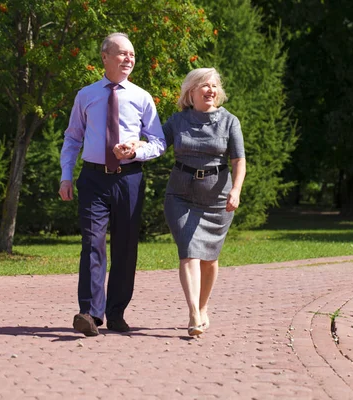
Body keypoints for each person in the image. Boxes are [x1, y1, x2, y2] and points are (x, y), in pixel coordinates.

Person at [59, 32, 166, 337]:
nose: (128, 59)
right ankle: (90, 314)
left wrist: (136, 150)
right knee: (92, 243)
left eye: (131, 54)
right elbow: (72, 138)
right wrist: (66, 174)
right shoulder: (86, 95)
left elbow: (158, 142)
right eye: (121, 53)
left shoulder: (142, 97)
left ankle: (117, 313)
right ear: (104, 57)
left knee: (125, 246)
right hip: (92, 178)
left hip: (129, 178)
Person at [162, 67, 246, 337]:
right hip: (180, 195)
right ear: (191, 91)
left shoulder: (229, 121)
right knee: (188, 249)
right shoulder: (177, 121)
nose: (210, 90)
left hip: (217, 198)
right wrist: (134, 147)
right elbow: (155, 145)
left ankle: (203, 306)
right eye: (204, 86)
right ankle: (193, 314)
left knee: (209, 259)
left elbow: (238, 160)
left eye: (214, 86)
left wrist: (236, 190)